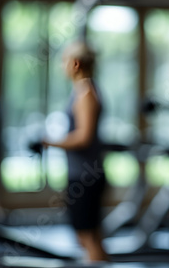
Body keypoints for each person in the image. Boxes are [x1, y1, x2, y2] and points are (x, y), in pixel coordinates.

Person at [43, 41, 108, 262]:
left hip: (85, 176)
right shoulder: (83, 91)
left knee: (87, 237)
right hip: (83, 173)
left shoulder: (86, 93)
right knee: (88, 237)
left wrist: (51, 143)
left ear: (76, 63)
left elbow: (84, 137)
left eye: (64, 61)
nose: (62, 66)